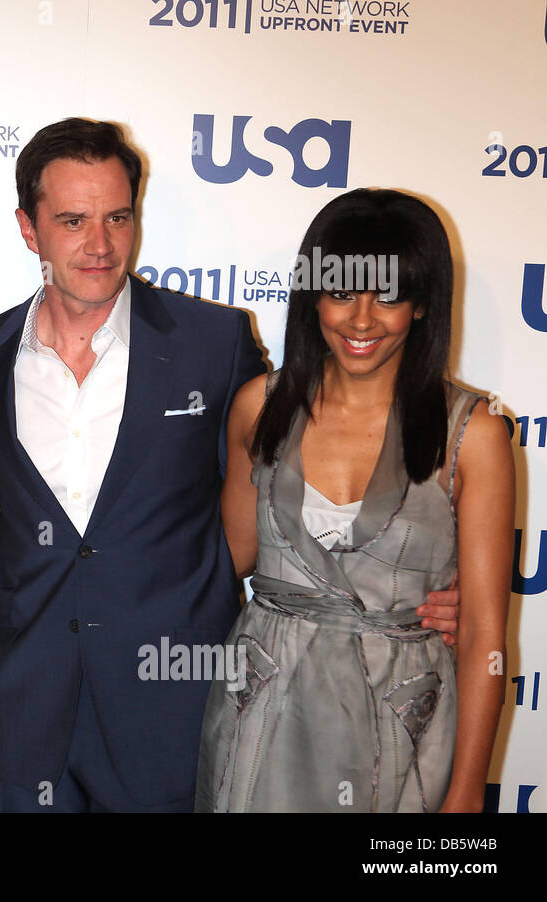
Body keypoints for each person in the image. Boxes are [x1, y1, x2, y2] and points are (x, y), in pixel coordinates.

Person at [0, 118, 463, 812]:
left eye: (118, 218)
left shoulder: (213, 345)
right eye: (72, 221)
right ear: (27, 227)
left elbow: (284, 486)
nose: (100, 245)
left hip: (172, 708)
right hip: (27, 707)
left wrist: (414, 586)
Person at [196, 189, 511, 812]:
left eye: (388, 295)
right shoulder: (259, 408)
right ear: (314, 295)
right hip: (261, 713)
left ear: (422, 304)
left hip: (402, 731)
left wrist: (468, 793)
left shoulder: (474, 436)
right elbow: (225, 561)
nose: (361, 320)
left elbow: (484, 635)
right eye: (342, 292)